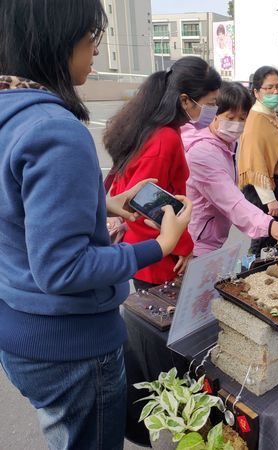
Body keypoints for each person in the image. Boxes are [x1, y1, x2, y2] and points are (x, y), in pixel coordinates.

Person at [0, 1, 192, 449]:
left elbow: (14, 210)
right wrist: (160, 246)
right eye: (93, 39)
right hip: (70, 346)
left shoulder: (11, 115)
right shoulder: (55, 130)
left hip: (19, 329)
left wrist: (102, 203)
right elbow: (63, 270)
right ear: (57, 41)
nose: (96, 53)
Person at [104, 56, 221, 290]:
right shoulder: (164, 139)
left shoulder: (153, 127)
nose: (213, 110)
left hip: (151, 248)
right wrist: (183, 246)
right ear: (185, 100)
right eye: (211, 103)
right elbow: (144, 204)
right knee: (161, 321)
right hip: (159, 255)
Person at [182, 82, 278, 256]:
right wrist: (269, 225)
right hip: (194, 241)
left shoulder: (227, 143)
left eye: (243, 118)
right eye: (230, 118)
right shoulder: (202, 152)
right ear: (214, 113)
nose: (237, 124)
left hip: (207, 235)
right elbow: (231, 201)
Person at [238, 66, 278, 257]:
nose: (275, 91)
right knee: (263, 237)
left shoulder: (270, 114)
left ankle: (265, 272)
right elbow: (255, 163)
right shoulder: (257, 119)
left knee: (271, 238)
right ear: (256, 92)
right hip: (265, 189)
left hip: (276, 185)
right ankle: (252, 273)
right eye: (268, 88)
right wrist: (270, 199)